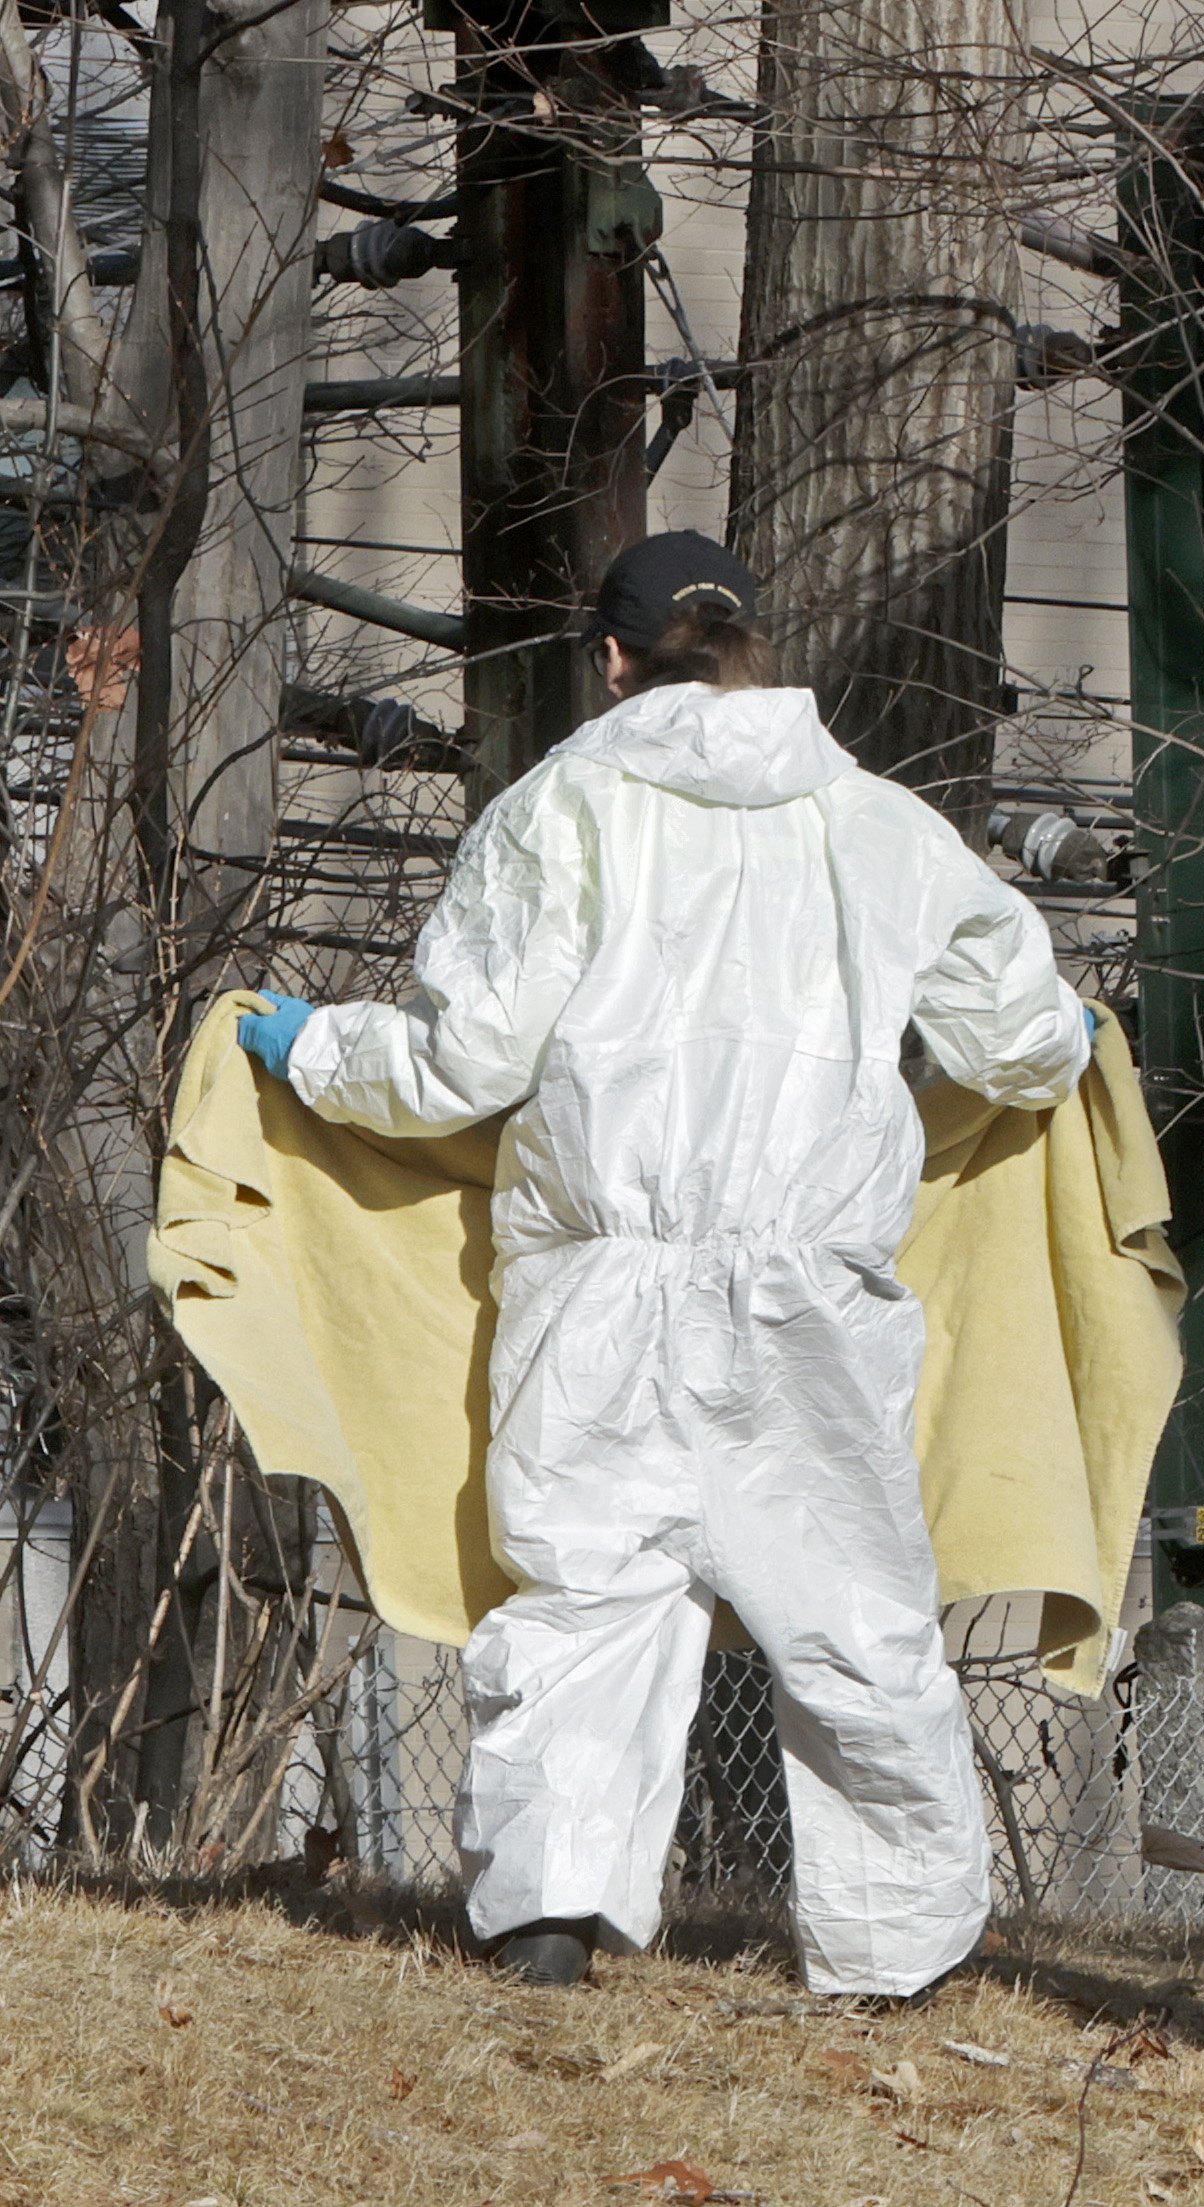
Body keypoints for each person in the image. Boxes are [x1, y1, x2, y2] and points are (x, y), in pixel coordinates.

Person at [232, 532, 1091, 1995]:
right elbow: (1022, 1037)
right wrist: (1072, 1037)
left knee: (583, 1592)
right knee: (857, 1612)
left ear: (613, 656)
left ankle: (549, 1918)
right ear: (746, 646)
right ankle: (896, 1948)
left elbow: (462, 1062)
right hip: (810, 1286)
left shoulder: (558, 807)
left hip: (603, 1284)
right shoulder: (880, 825)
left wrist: (311, 1042)